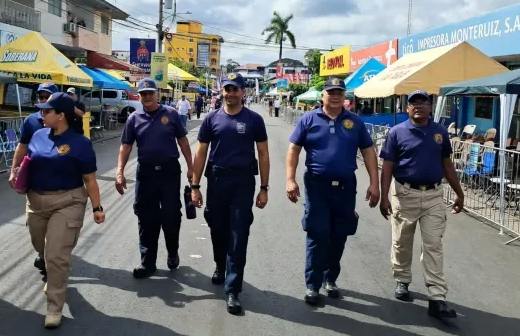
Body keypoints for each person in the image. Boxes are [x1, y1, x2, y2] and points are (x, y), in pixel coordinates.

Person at [12, 92, 105, 328]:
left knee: (56, 255)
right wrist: (16, 173)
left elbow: (90, 179)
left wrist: (97, 207)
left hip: (68, 201)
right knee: (40, 247)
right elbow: (27, 159)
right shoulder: (38, 134)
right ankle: (53, 271)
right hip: (36, 201)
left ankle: (54, 307)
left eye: (46, 111)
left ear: (61, 116)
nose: (41, 114)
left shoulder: (80, 143)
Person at [286, 77, 379, 306]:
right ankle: (313, 285)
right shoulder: (308, 119)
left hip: (346, 187)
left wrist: (374, 183)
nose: (336, 96)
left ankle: (330, 279)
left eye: (340, 92)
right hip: (317, 186)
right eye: (331, 92)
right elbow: (294, 150)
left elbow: (368, 152)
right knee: (318, 234)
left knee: (339, 235)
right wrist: (290, 179)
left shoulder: (355, 122)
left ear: (344, 96)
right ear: (323, 96)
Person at [377, 90, 465, 320]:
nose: (418, 106)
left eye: (423, 102)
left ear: (430, 106)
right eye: (413, 102)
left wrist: (459, 192)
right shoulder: (396, 133)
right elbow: (387, 167)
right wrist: (384, 196)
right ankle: (402, 279)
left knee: (433, 245)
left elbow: (447, 163)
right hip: (405, 194)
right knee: (402, 242)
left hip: (434, 196)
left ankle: (437, 298)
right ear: (407, 108)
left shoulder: (440, 132)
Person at [191, 73, 270, 315]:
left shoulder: (254, 120)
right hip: (216, 180)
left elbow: (264, 154)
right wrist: (195, 186)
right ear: (222, 91)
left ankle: (233, 289)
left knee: (239, 232)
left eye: (235, 89)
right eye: (227, 89)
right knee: (217, 226)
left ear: (243, 92)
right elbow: (201, 152)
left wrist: (264, 187)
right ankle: (219, 265)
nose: (231, 93)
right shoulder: (211, 118)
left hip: (243, 182)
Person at [115, 78, 194, 278]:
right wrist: (119, 172)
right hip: (146, 173)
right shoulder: (134, 118)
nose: (147, 97)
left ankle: (172, 251)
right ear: (139, 96)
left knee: (171, 215)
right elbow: (126, 146)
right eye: (143, 94)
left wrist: (191, 167)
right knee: (145, 217)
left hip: (169, 172)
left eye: (151, 93)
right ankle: (147, 262)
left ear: (157, 94)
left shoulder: (172, 114)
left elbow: (183, 141)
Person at [9, 82, 58, 282]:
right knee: (36, 225)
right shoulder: (31, 121)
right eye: (41, 97)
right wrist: (14, 170)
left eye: (48, 97)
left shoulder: (67, 118)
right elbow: (22, 147)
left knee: (56, 226)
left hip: (59, 182)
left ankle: (50, 262)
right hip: (34, 181)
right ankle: (43, 252)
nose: (43, 100)